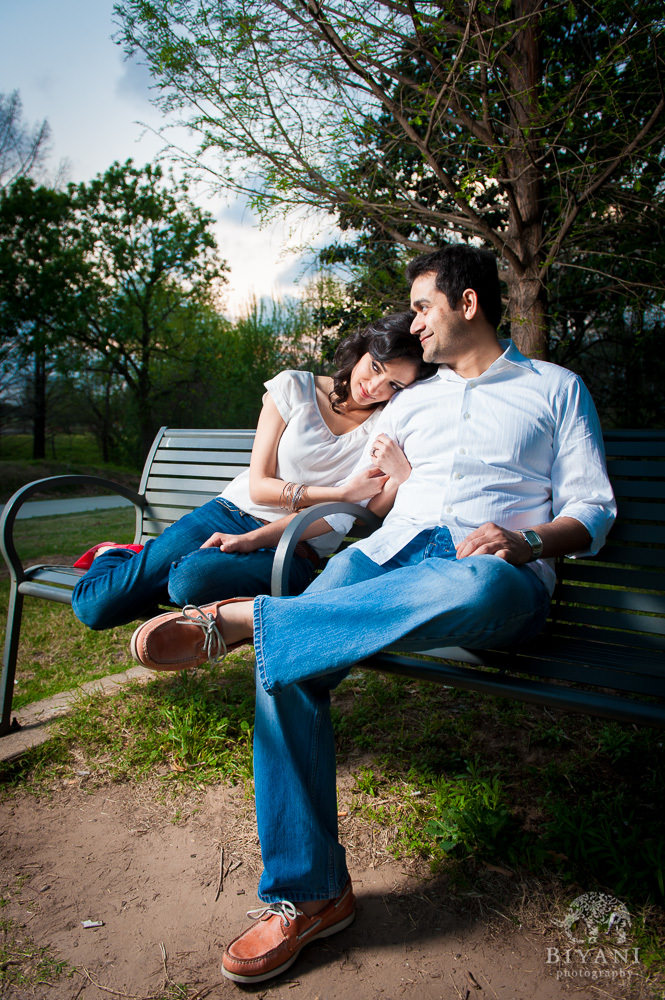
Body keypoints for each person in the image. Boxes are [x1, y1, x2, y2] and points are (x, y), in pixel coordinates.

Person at [130, 245, 617, 985]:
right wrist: (319, 500)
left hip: (492, 573)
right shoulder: (411, 401)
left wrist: (528, 540)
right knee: (285, 668)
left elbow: (594, 509)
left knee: (472, 585)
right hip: (382, 560)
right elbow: (357, 497)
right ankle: (311, 896)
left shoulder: (553, 388)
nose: (412, 323)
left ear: (467, 303)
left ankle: (252, 618)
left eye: (422, 306)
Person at [70, 313, 436, 631]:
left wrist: (399, 479)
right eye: (374, 368)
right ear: (363, 349)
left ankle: (157, 567)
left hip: (296, 548)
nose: (373, 387)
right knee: (94, 607)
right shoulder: (295, 387)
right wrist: (340, 494)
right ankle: (115, 555)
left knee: (188, 580)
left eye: (394, 385)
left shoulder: (386, 426)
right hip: (227, 514)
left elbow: (352, 519)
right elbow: (260, 488)